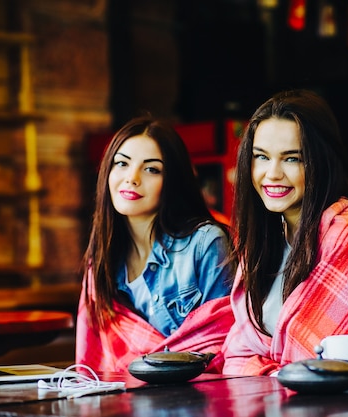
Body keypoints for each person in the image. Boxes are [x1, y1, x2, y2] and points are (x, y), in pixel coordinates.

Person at [221, 89, 348, 383]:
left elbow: (326, 367)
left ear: (320, 161)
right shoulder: (264, 239)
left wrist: (265, 368)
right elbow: (235, 356)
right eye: (261, 157)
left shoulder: (344, 233)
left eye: (292, 159)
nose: (272, 173)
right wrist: (276, 370)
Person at [76, 116, 235, 373]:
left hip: (198, 397)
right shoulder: (102, 261)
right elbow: (90, 365)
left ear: (173, 180)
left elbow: (223, 344)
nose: (132, 178)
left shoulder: (205, 244)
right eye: (122, 164)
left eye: (151, 169)